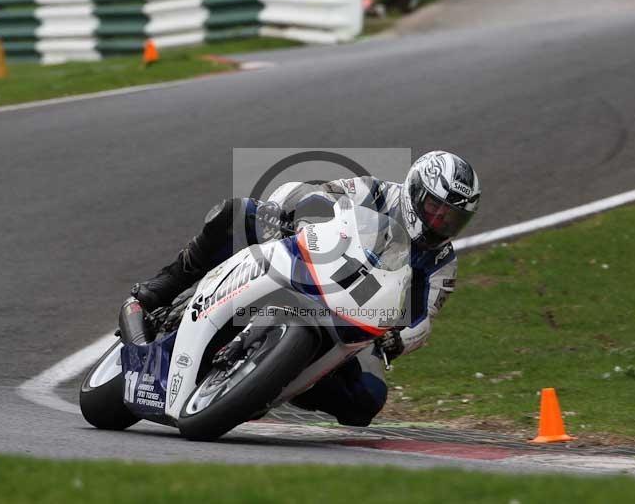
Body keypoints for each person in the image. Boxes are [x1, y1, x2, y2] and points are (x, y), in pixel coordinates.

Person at [130, 150, 481, 426]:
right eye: (436, 209)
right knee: (234, 214)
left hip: (354, 317)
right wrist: (299, 213)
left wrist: (398, 339)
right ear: (416, 191)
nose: (440, 222)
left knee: (366, 402)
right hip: (307, 261)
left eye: (452, 218)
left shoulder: (442, 263)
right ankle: (162, 287)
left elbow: (423, 318)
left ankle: (278, 383)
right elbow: (317, 192)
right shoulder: (375, 192)